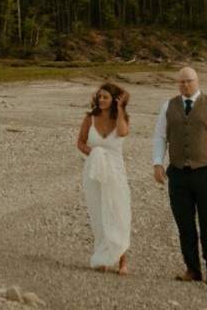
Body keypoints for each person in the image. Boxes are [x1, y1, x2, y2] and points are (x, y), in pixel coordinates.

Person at [151, 66, 207, 285]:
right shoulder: (168, 107)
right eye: (181, 82)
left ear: (197, 81)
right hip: (178, 174)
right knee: (185, 225)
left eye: (189, 81)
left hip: (206, 173)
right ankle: (192, 269)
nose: (185, 85)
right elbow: (160, 137)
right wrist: (157, 163)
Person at [77, 81, 131, 274]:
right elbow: (81, 142)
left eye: (106, 97)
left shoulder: (121, 118)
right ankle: (102, 257)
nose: (101, 100)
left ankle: (123, 262)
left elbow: (123, 132)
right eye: (99, 97)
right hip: (94, 171)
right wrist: (95, 154)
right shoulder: (90, 117)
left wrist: (120, 108)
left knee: (118, 212)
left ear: (114, 99)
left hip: (116, 171)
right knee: (99, 213)